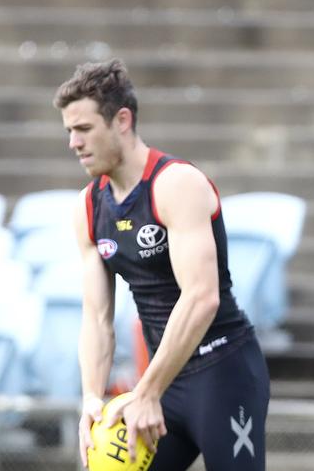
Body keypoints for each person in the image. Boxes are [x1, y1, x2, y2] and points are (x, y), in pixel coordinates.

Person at [53, 58, 269, 471]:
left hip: (224, 372)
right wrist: (92, 399)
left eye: (83, 129)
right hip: (162, 381)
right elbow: (97, 319)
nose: (73, 143)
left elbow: (202, 297)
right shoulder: (88, 205)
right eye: (69, 131)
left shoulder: (175, 183)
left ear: (121, 120)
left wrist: (147, 390)